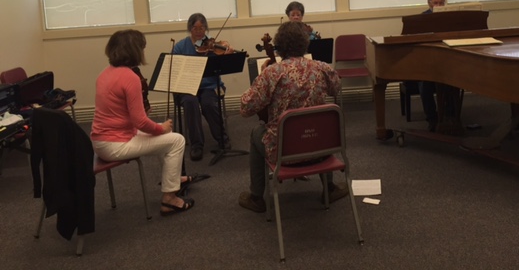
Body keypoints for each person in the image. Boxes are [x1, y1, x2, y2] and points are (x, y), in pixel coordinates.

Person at [237, 21, 348, 213]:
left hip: (285, 153)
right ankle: (329, 188)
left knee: (256, 133)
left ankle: (256, 197)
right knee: (319, 124)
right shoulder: (321, 67)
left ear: (279, 46)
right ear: (305, 44)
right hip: (321, 148)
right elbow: (336, 88)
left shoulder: (271, 73)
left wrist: (262, 77)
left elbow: (245, 108)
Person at [91, 29, 194, 216]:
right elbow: (140, 122)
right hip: (115, 145)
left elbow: (126, 116)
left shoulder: (104, 73)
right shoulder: (130, 77)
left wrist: (159, 129)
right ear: (134, 50)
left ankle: (173, 179)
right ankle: (169, 199)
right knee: (177, 140)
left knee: (167, 137)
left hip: (100, 142)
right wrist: (161, 128)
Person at [173, 13, 234, 161]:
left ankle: (222, 139)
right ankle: (196, 145)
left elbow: (223, 67)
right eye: (196, 28)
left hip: (209, 86)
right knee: (190, 102)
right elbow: (175, 69)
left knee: (208, 104)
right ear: (190, 28)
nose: (199, 31)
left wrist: (227, 56)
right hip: (188, 87)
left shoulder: (212, 45)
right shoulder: (180, 46)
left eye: (202, 28)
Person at [419, 0, 447, 130]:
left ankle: (450, 116)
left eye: (441, 3)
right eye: (436, 3)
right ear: (429, 3)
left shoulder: (451, 17)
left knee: (454, 81)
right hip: (427, 60)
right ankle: (432, 118)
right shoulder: (422, 19)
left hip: (448, 59)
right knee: (425, 86)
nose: (438, 6)